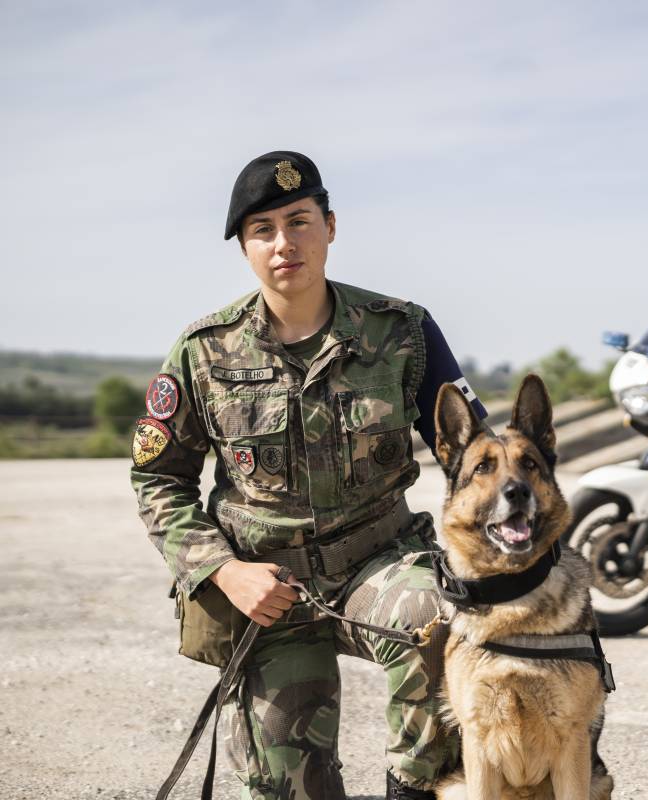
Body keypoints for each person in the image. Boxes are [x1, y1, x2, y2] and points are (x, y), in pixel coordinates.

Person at [131, 151, 485, 800]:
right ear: (244, 248)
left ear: (330, 225)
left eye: (298, 221)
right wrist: (222, 571)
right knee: (285, 786)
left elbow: (473, 458)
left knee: (441, 625)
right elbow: (159, 480)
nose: (283, 242)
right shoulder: (203, 350)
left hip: (379, 563)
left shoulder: (402, 333)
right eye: (261, 230)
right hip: (267, 591)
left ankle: (413, 787)